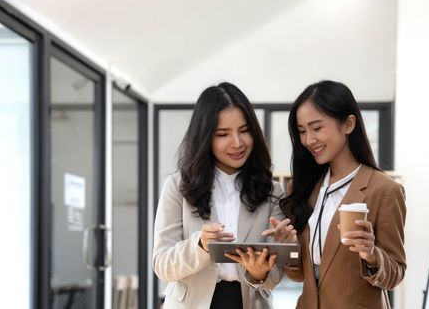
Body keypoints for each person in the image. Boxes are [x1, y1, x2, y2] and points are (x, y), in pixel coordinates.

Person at [268, 80, 406, 308]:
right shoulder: (301, 188)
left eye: (317, 128)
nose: (309, 140)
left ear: (349, 124)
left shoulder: (385, 190)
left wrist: (371, 255)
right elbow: (299, 275)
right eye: (302, 131)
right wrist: (288, 248)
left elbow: (396, 274)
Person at [152, 82, 291, 309]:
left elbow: (274, 276)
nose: (237, 143)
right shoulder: (177, 187)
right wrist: (200, 245)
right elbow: (162, 265)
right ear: (205, 138)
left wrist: (259, 274)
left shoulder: (272, 192)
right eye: (223, 134)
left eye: (244, 131)